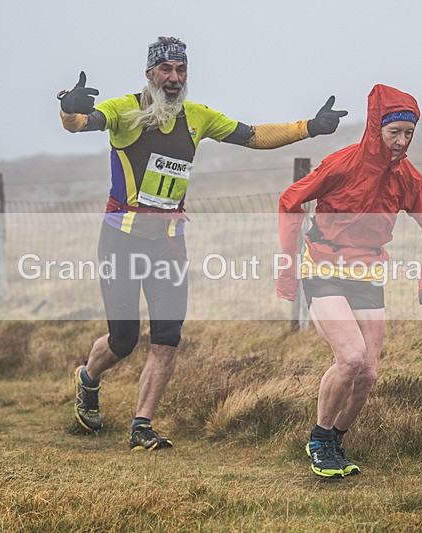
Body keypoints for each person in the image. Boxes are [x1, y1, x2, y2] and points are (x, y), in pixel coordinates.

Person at [58, 36, 347, 450]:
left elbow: (253, 135)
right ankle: (88, 378)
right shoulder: (123, 109)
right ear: (149, 75)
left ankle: (142, 425)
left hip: (169, 245)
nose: (174, 78)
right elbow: (81, 124)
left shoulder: (198, 116)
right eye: (165, 70)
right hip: (120, 242)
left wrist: (310, 128)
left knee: (167, 338)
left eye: (181, 70)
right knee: (123, 340)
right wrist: (70, 109)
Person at [277, 84, 422, 477]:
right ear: (377, 130)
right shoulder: (342, 164)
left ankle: (336, 440)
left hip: (367, 272)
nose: (402, 142)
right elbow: (290, 201)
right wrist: (288, 271)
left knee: (368, 372)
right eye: (395, 133)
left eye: (409, 134)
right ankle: (318, 441)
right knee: (350, 357)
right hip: (322, 267)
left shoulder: (409, 178)